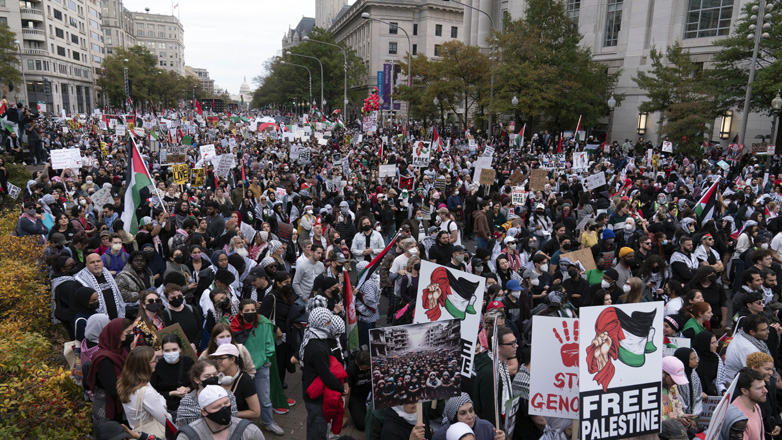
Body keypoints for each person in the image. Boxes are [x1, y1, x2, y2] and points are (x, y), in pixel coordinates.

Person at [230, 299, 285, 436]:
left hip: (262, 367)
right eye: (246, 311)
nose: (250, 313)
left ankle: (269, 423)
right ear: (241, 313)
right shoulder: (233, 327)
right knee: (241, 400)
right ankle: (243, 427)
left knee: (265, 398)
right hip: (242, 370)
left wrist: (264, 359)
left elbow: (269, 344)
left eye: (253, 310)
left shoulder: (264, 323)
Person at [301, 307, 346, 440]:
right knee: (317, 431)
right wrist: (340, 387)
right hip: (316, 399)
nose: (330, 324)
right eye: (328, 322)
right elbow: (326, 375)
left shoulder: (314, 335)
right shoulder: (317, 348)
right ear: (320, 323)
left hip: (312, 389)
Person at [85, 317, 135, 428]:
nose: (131, 335)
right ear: (117, 334)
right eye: (128, 332)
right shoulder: (104, 360)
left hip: (122, 405)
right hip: (107, 409)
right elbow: (114, 390)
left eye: (132, 331)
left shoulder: (122, 351)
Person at [175, 385, 265, 439]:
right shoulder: (188, 436)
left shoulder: (250, 431)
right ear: (204, 412)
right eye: (217, 407)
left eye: (226, 403)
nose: (224, 409)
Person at [117, 346, 170, 437]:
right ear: (144, 365)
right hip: (151, 435)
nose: (157, 362)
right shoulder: (145, 391)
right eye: (154, 360)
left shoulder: (125, 383)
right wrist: (162, 401)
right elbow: (167, 420)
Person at [208, 342, 261, 422]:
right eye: (216, 358)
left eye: (221, 358)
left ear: (232, 359)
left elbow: (256, 412)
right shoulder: (216, 378)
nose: (217, 362)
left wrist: (230, 413)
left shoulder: (245, 381)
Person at [473, 326, 515, 425]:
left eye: (515, 342)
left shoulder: (500, 364)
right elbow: (490, 414)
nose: (516, 345)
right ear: (498, 347)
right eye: (511, 344)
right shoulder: (490, 374)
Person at [150, 334, 195, 421]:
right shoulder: (157, 366)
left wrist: (187, 389)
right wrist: (172, 393)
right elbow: (153, 393)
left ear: (180, 349)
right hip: (167, 410)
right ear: (162, 351)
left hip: (188, 408)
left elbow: (197, 383)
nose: (171, 353)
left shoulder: (188, 362)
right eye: (167, 350)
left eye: (174, 349)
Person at [433, 393, 505, 440]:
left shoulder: (487, 428)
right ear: (454, 417)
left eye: (471, 410)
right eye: (463, 413)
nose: (470, 416)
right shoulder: (441, 436)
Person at [75, 252, 126, 319]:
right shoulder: (81, 281)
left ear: (102, 263)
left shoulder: (107, 274)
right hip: (96, 320)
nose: (96, 264)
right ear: (86, 265)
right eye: (92, 262)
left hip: (115, 317)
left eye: (98, 261)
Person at [725, 314, 772, 382]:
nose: (768, 331)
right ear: (752, 332)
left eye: (767, 328)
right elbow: (756, 375)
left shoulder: (743, 334)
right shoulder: (748, 349)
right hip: (738, 384)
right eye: (763, 330)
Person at [746, 352, 782, 439]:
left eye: (771, 369)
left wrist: (778, 424)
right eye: (767, 369)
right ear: (754, 368)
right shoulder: (743, 387)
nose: (770, 373)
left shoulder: (771, 384)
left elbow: (775, 407)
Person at [729, 368, 768, 440]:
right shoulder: (739, 419)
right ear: (744, 391)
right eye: (759, 388)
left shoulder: (755, 405)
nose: (765, 391)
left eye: (764, 386)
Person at [692, 331, 727, 396]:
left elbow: (719, 381)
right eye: (713, 343)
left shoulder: (716, 358)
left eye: (716, 342)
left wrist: (723, 391)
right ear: (705, 343)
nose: (716, 345)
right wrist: (699, 394)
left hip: (711, 396)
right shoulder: (693, 356)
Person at [672, 348, 703, 418]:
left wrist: (695, 414)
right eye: (693, 359)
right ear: (684, 360)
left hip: (692, 415)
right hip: (680, 416)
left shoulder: (694, 374)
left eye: (696, 358)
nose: (697, 361)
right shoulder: (677, 377)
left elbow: (698, 396)